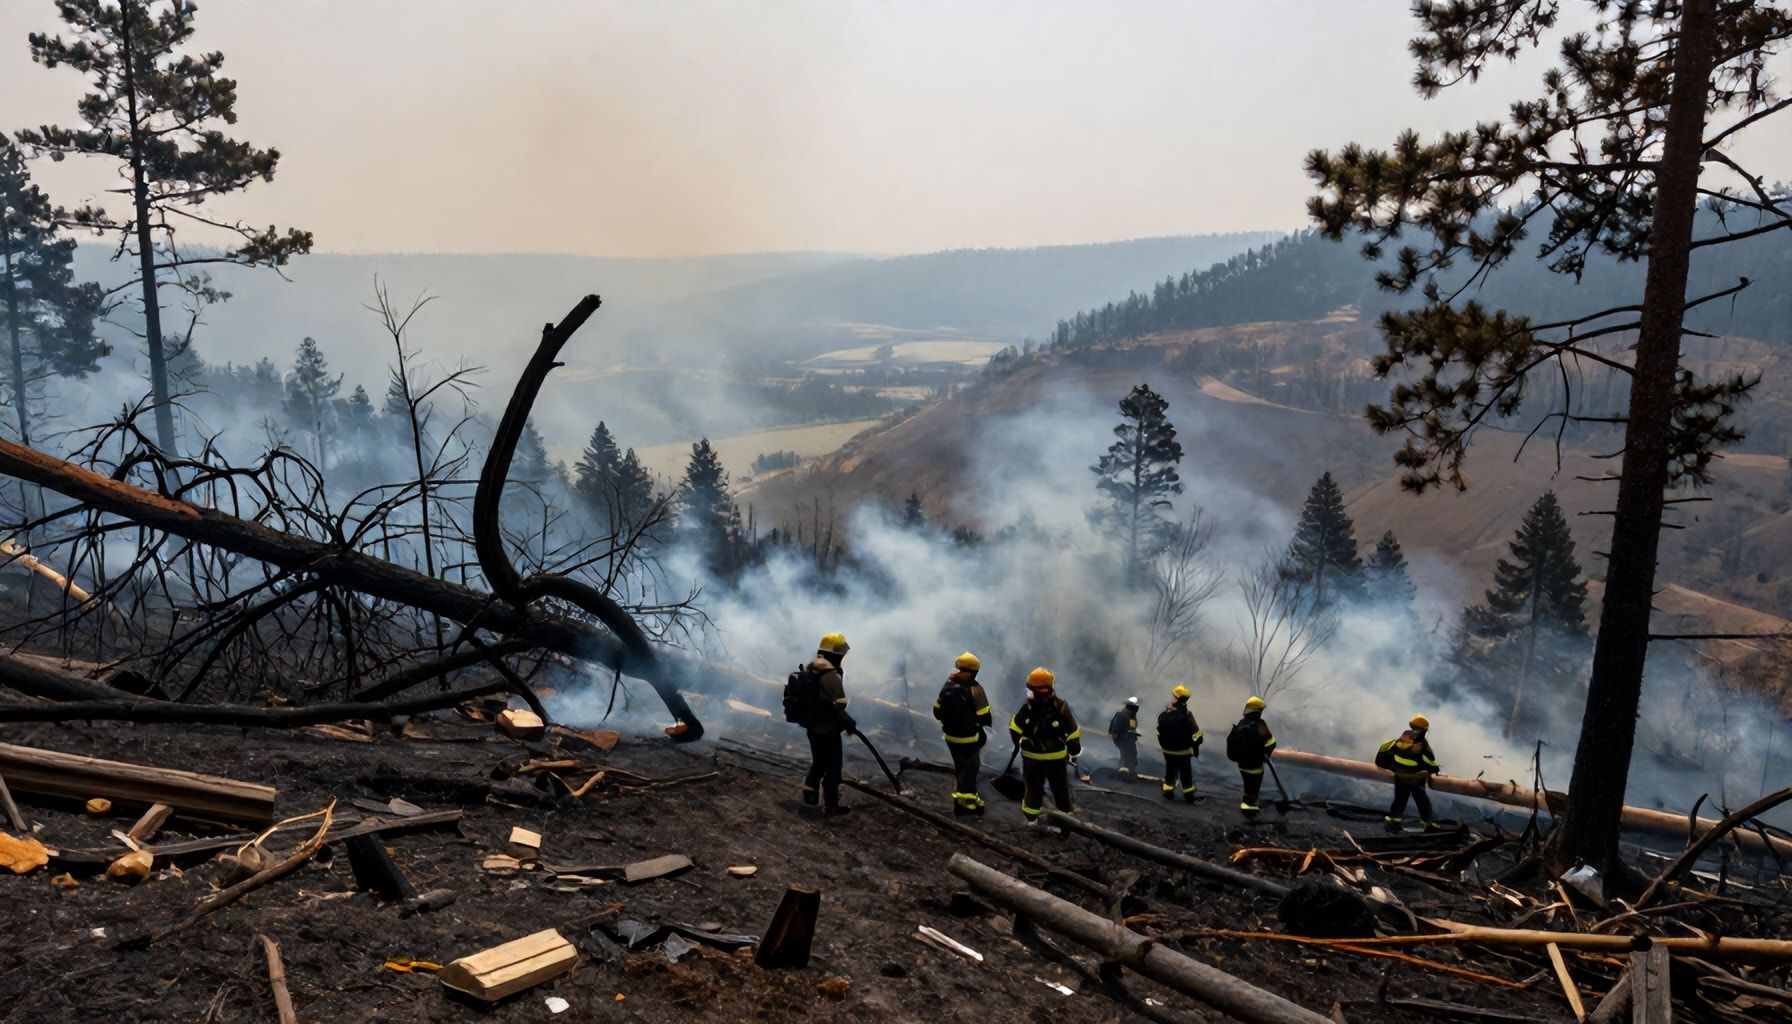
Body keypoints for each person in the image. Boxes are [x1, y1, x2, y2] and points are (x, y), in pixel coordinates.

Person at [1008, 667, 1081, 827]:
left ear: (1044, 689)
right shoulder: (1032, 707)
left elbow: (1072, 730)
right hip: (1041, 758)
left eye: (1036, 689)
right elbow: (1015, 727)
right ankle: (1040, 820)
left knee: (1050, 789)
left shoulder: (1058, 706)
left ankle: (1057, 821)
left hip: (1047, 758)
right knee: (1043, 789)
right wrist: (1019, 740)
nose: (1033, 692)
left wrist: (1073, 744)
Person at [800, 632, 856, 817]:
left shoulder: (813, 669)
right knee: (833, 767)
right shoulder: (830, 674)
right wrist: (848, 722)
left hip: (813, 727)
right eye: (841, 652)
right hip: (827, 729)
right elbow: (838, 705)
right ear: (835, 654)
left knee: (819, 763)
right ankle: (831, 806)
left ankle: (810, 797)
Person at [933, 651, 994, 816]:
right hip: (969, 738)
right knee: (971, 769)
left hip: (949, 736)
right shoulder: (976, 689)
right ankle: (965, 806)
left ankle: (969, 800)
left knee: (961, 767)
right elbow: (984, 717)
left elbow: (937, 711)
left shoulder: (948, 684)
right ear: (975, 671)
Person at [1380, 714, 1441, 831]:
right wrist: (1435, 769)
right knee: (1423, 801)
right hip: (1415, 779)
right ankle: (1427, 823)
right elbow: (1430, 760)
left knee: (1399, 800)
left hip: (1400, 777)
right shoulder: (1421, 743)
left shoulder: (1403, 738)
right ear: (1424, 729)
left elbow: (1392, 753)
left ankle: (1393, 822)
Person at [1225, 695, 1276, 818]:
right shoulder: (1260, 725)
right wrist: (1266, 754)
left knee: (1248, 786)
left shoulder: (1241, 723)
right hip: (1255, 765)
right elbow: (1270, 743)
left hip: (1242, 765)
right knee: (1253, 788)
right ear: (1258, 711)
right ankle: (1250, 810)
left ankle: (1247, 804)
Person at [1156, 684, 1202, 803]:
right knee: (1185, 773)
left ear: (1176, 698)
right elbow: (1197, 735)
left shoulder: (1166, 714)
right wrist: (1195, 746)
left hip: (1168, 750)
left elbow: (1160, 728)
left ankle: (1168, 792)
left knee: (1170, 771)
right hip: (1183, 752)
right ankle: (1188, 796)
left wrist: (1166, 712)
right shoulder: (1187, 716)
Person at [1107, 697, 1141, 777]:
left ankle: (1129, 769)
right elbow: (1116, 726)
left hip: (1129, 738)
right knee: (1126, 753)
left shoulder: (1132, 716)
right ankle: (1124, 772)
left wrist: (1134, 734)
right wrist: (1114, 734)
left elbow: (1131, 727)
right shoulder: (1122, 714)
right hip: (1123, 738)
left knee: (1132, 753)